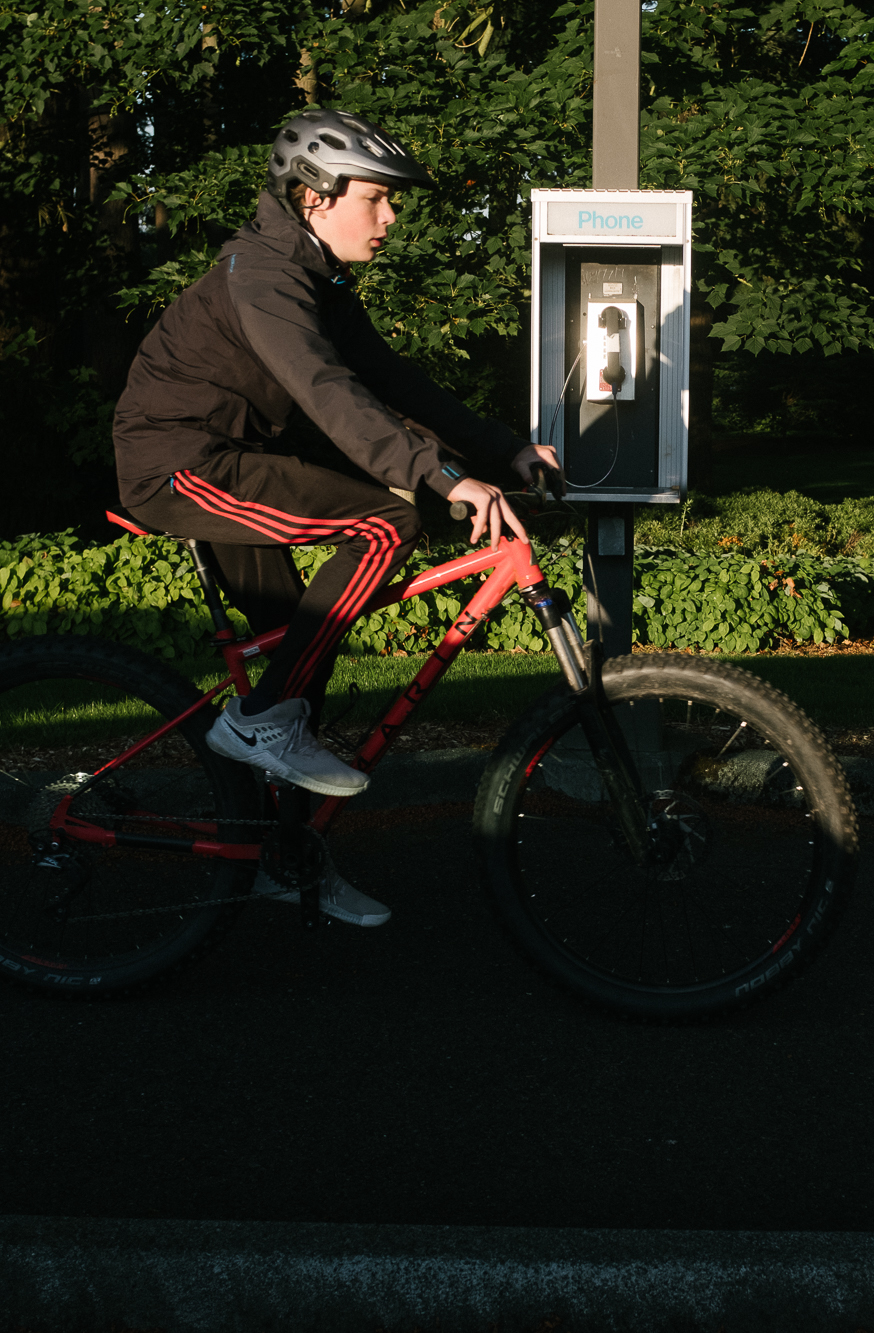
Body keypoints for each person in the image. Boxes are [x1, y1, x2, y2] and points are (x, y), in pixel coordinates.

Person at [112, 108, 555, 925]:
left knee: (298, 662)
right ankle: (262, 729)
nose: (391, 218)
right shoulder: (264, 273)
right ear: (314, 197)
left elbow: (388, 378)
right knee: (385, 525)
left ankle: (284, 858)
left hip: (238, 459)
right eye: (377, 199)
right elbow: (326, 390)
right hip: (181, 464)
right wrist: (439, 479)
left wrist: (500, 450)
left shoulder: (314, 274)